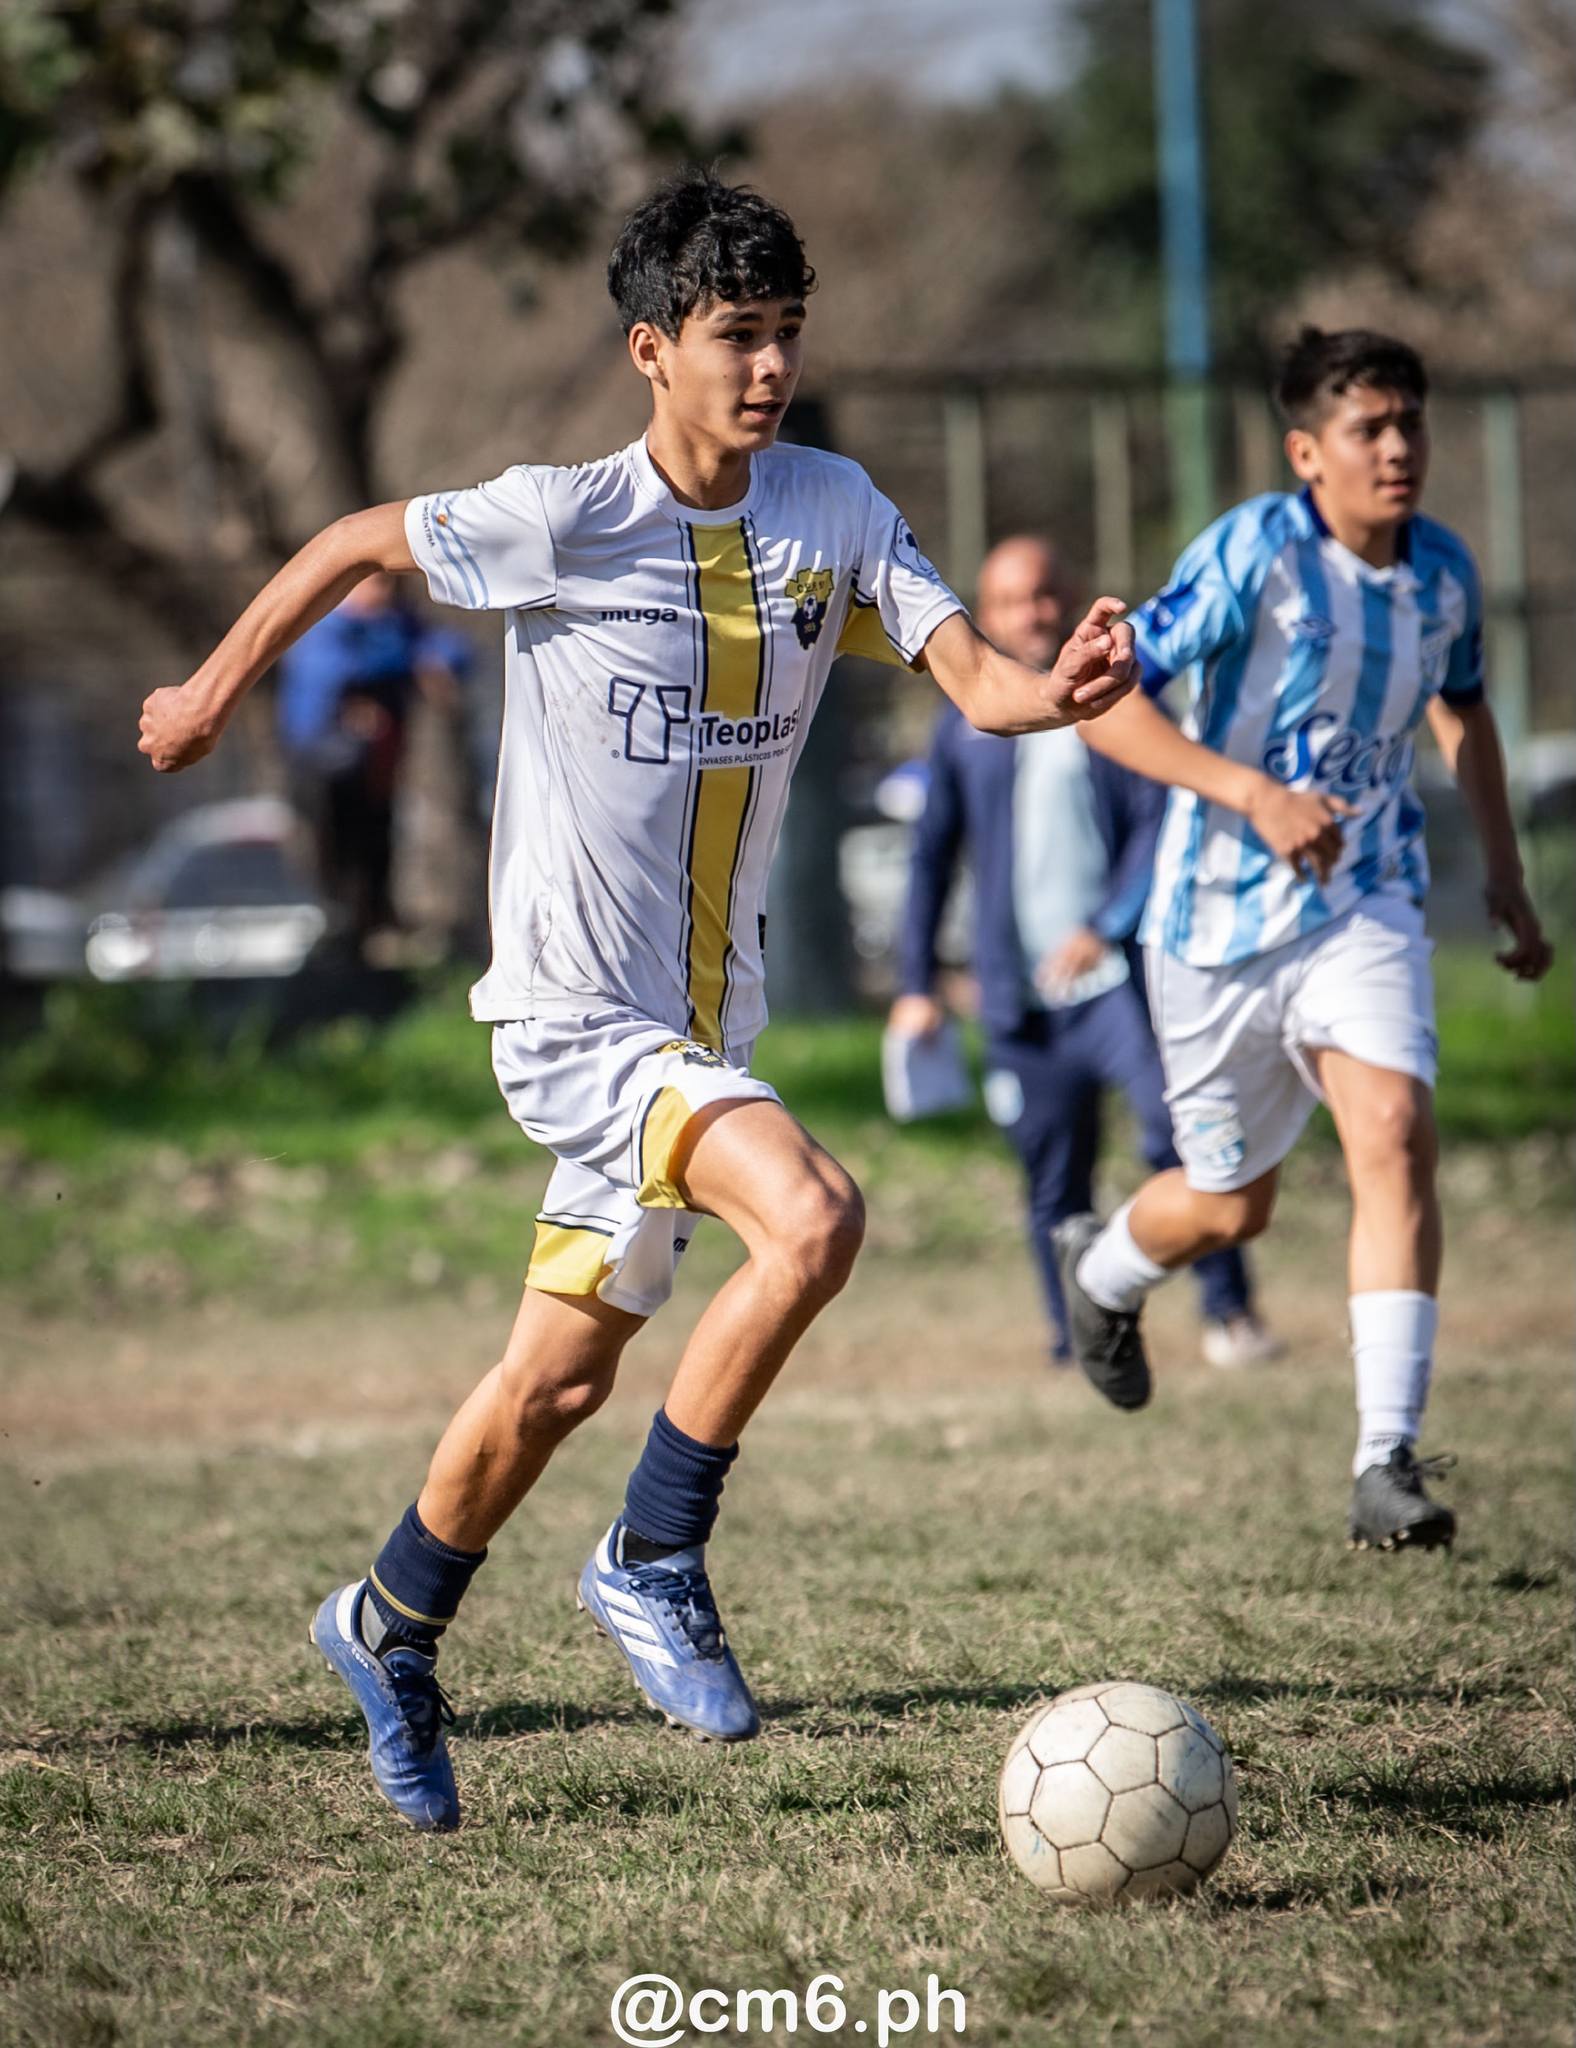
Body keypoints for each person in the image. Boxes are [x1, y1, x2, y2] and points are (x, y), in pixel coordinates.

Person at [137, 168, 1137, 1831]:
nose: (770, 365)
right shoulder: (565, 515)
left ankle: (387, 1622)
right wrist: (206, 691)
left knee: (555, 1384)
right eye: (736, 334)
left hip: (701, 1034)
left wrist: (1060, 690)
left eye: (787, 332)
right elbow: (358, 538)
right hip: (576, 1022)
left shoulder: (831, 507)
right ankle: (654, 1552)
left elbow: (974, 678)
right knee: (813, 1216)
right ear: (651, 349)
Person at [1056, 327, 1554, 1553]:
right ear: (1305, 452)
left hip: (1364, 899)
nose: (1396, 449)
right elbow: (1101, 705)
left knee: (1392, 1128)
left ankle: (1385, 1458)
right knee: (1232, 1206)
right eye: (1366, 428)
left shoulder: (1442, 570)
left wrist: (1503, 869)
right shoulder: (1253, 554)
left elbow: (1463, 709)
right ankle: (1104, 1272)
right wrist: (1254, 794)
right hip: (1212, 923)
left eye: (1409, 423)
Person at [890, 534, 1280, 1373]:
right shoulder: (964, 727)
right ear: (984, 616)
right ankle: (1078, 1340)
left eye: (1042, 595)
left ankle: (1229, 1313)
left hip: (1118, 983)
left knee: (1179, 1137)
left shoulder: (1119, 707)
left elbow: (1159, 822)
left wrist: (1104, 925)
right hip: (1019, 998)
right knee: (1052, 1177)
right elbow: (930, 858)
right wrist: (916, 982)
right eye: (1008, 602)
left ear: (1068, 599)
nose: (1029, 614)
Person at [276, 573, 473, 949]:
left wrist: (433, 661)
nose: (381, 594)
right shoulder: (325, 626)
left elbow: (451, 649)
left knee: (376, 843)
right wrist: (407, 663)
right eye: (372, 584)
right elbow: (331, 673)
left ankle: (372, 923)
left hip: (373, 768)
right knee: (335, 848)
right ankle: (341, 926)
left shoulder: (396, 624)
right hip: (324, 765)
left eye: (387, 585)